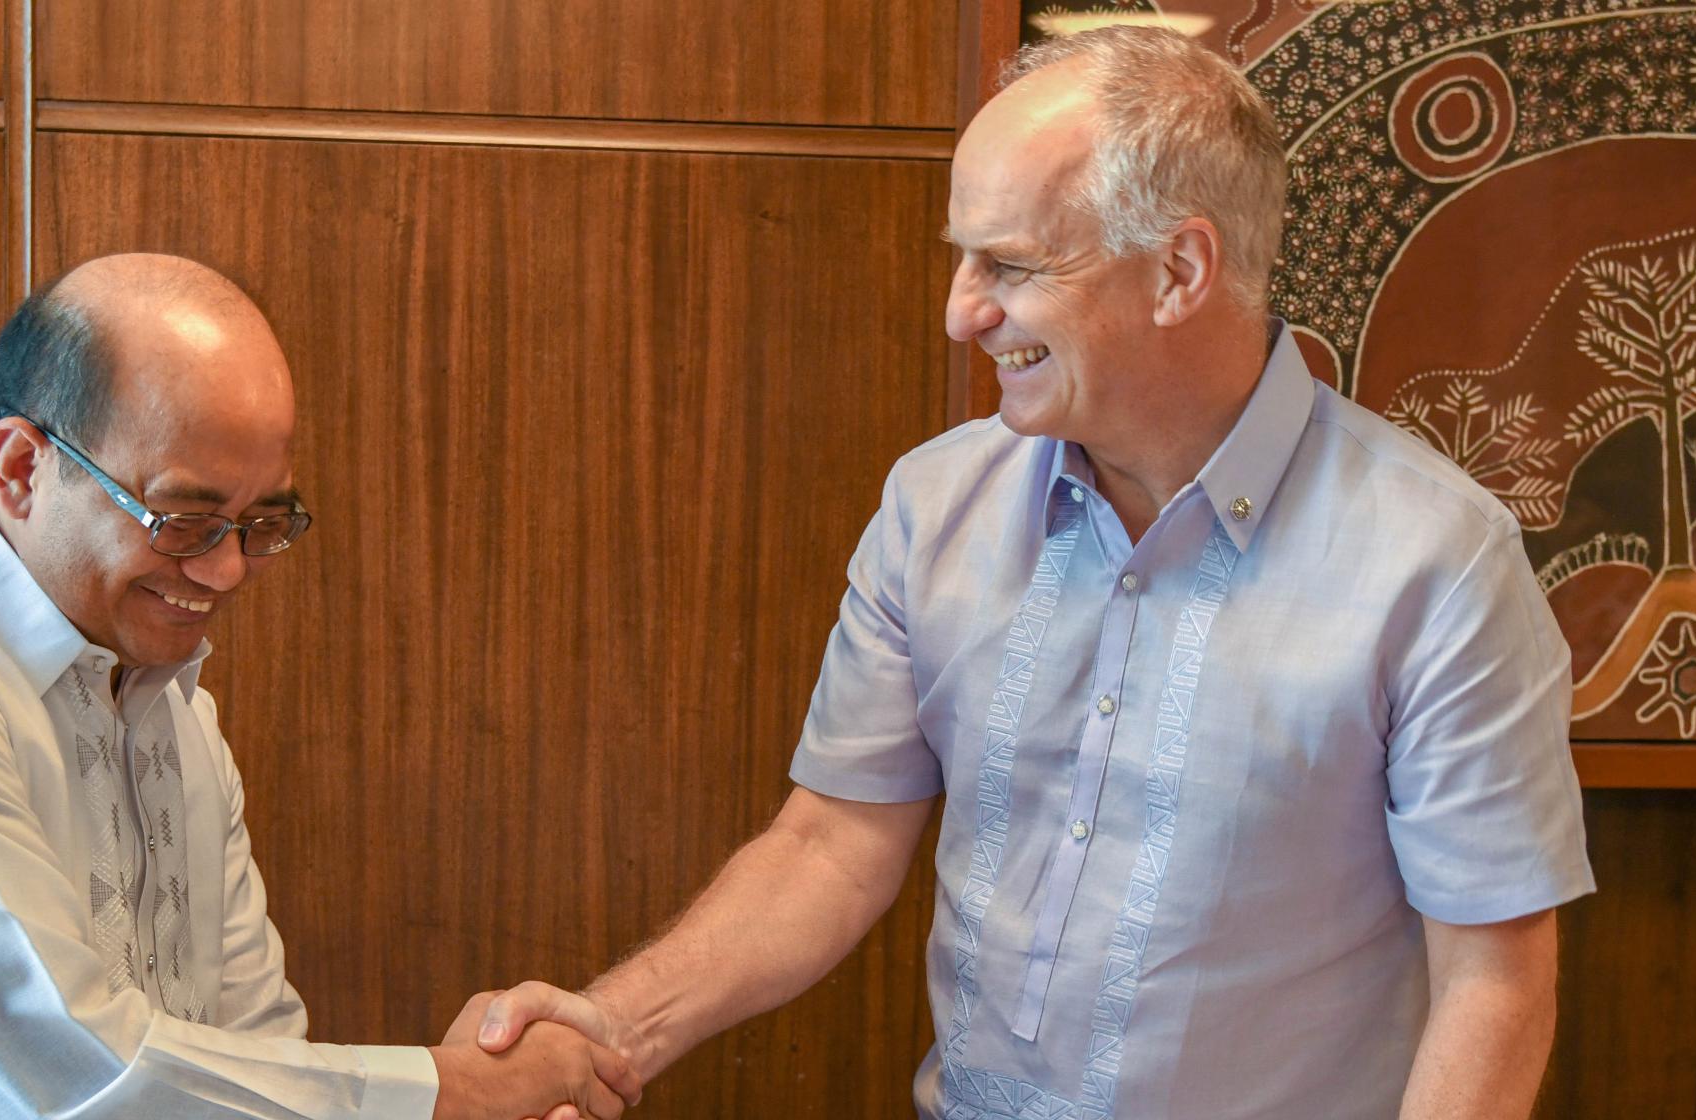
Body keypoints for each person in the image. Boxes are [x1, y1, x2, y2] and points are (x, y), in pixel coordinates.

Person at [464, 28, 1593, 1120]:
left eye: (1011, 263)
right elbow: (829, 845)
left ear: (1179, 269)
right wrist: (606, 1032)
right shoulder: (933, 503)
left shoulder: (1438, 562)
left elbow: (1493, 979)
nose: (962, 311)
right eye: (964, 258)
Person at [0, 253, 638, 1120]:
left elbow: (254, 1064)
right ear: (23, 468)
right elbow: (90, 1086)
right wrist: (455, 1088)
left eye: (264, 522)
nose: (226, 571)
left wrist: (467, 1085)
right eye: (183, 518)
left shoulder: (173, 711)